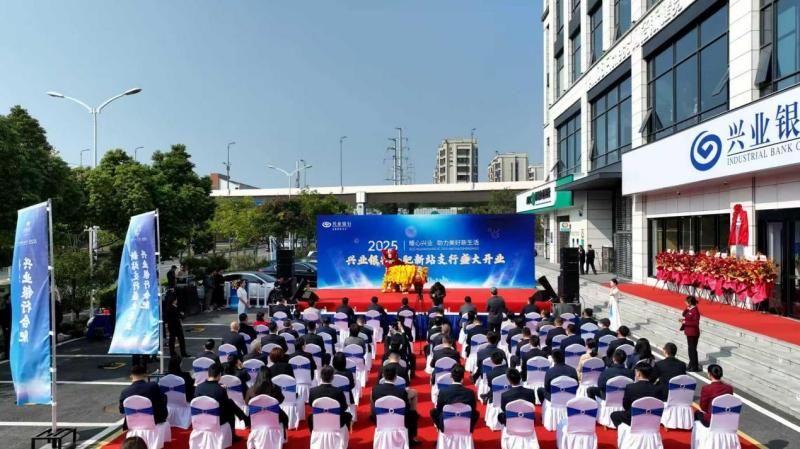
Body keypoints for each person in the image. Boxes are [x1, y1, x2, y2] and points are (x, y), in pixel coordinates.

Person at [371, 364, 419, 445]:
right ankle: (411, 438)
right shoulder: (401, 392)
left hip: (380, 419)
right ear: (396, 376)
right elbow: (406, 407)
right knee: (413, 413)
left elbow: (373, 405)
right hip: (399, 420)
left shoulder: (375, 390)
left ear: (383, 376)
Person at [195, 363, 250, 434]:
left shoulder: (198, 388)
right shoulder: (220, 390)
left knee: (230, 403)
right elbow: (225, 407)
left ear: (208, 374)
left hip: (201, 417)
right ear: (219, 375)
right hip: (218, 418)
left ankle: (244, 418)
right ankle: (234, 433)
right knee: (230, 406)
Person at [610, 363, 665, 427]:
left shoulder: (630, 387)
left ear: (638, 374)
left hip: (633, 417)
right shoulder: (657, 389)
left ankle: (626, 431)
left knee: (614, 415)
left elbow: (626, 405)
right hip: (651, 417)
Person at [119, 364, 168, 430]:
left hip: (134, 423)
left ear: (131, 375)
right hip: (155, 421)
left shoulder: (125, 392)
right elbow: (162, 401)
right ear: (145, 374)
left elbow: (122, 410)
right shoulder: (153, 386)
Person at [430, 365, 478, 431]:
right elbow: (473, 409)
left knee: (433, 412)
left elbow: (439, 408)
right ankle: (469, 429)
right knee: (476, 413)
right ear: (463, 378)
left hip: (447, 421)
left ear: (451, 377)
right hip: (464, 421)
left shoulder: (443, 392)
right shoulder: (470, 393)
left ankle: (440, 428)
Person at [307, 366, 352, 431]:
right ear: (332, 377)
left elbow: (311, 405)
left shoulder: (312, 391)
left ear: (320, 376)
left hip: (319, 420)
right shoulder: (338, 391)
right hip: (336, 421)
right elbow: (344, 407)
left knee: (310, 417)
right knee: (348, 415)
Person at [681, 295, 701, 372]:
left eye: (686, 301)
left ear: (689, 302)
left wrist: (685, 322)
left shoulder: (695, 311)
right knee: (691, 349)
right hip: (689, 332)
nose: (685, 302)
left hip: (693, 333)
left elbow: (695, 323)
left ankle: (694, 366)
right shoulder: (690, 309)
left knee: (692, 350)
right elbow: (683, 314)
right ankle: (691, 364)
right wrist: (687, 309)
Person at [0, 294, 11, 360]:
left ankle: (7, 354)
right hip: (6, 327)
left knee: (7, 341)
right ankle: (7, 354)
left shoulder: (8, 307)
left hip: (7, 327)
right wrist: (6, 326)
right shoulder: (5, 308)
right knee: (7, 341)